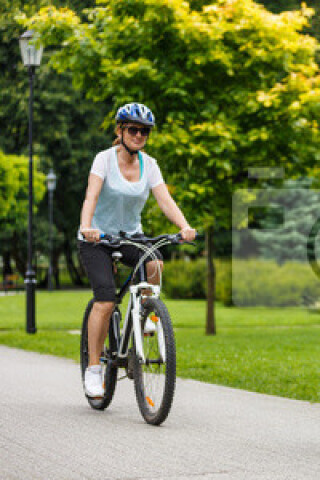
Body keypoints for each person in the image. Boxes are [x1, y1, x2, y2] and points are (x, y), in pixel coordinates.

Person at [78, 102, 196, 398]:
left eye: (144, 131)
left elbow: (164, 200)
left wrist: (185, 226)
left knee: (155, 263)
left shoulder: (150, 164)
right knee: (104, 302)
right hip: (98, 238)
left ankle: (147, 317)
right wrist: (86, 226)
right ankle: (94, 369)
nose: (139, 135)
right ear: (120, 131)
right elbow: (91, 196)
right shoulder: (103, 160)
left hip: (130, 236)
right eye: (133, 129)